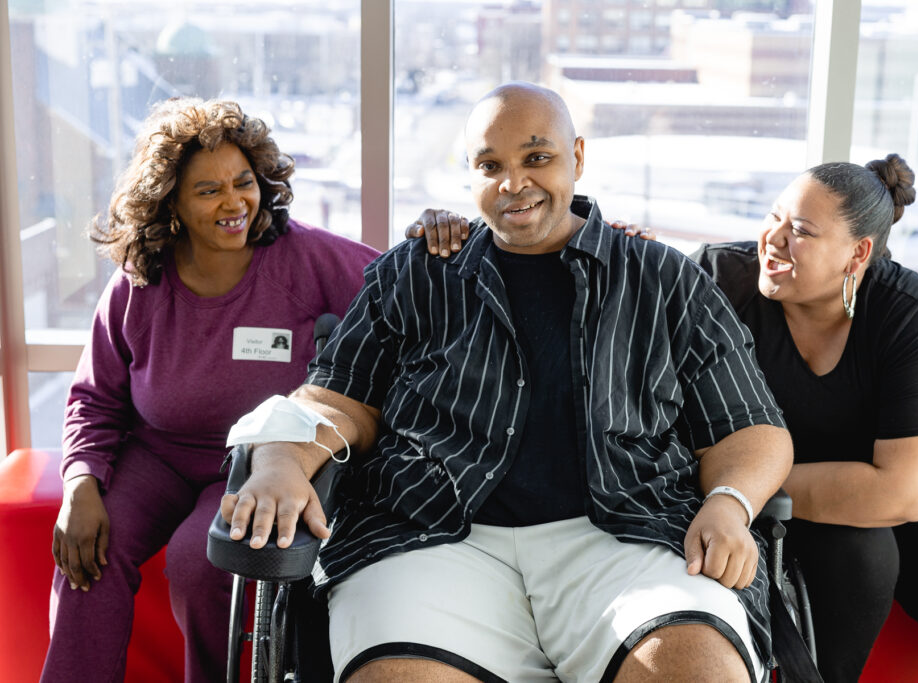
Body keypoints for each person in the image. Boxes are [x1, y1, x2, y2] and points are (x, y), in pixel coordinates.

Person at [221, 82, 793, 682]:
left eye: (536, 159)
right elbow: (338, 401)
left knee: (696, 671)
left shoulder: (663, 278)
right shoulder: (416, 273)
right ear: (469, 174)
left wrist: (730, 504)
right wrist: (282, 460)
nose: (512, 183)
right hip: (431, 536)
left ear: (577, 156)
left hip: (628, 534)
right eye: (490, 165)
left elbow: (753, 430)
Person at [44, 97, 461, 682]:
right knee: (88, 553)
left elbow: (396, 285)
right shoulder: (140, 280)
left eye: (244, 182)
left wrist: (434, 232)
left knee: (203, 563)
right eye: (208, 191)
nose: (235, 202)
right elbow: (95, 398)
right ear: (172, 205)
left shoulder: (304, 257)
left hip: (254, 461)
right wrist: (80, 484)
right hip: (155, 457)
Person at [687, 155, 918, 682]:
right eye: (774, 217)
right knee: (861, 559)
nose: (772, 239)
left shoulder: (914, 314)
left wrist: (743, 480)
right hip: (765, 487)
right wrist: (741, 486)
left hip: (898, 467)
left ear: (858, 253)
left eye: (799, 231)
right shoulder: (716, 281)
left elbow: (909, 492)